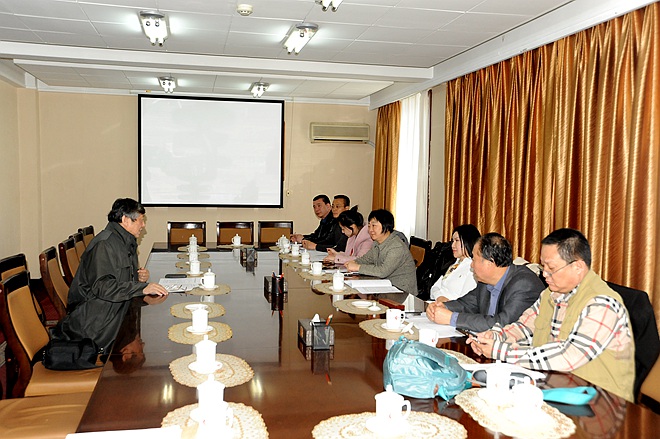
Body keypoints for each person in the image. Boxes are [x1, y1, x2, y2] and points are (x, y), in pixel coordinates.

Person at [468, 228, 635, 402]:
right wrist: (496, 336)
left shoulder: (602, 303)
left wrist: (500, 350)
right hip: (553, 388)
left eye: (551, 268)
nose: (544, 274)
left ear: (577, 267)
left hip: (599, 403)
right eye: (543, 266)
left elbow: (568, 355)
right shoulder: (550, 293)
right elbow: (524, 327)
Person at [51, 198, 168, 354]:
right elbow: (103, 287)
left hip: (113, 308)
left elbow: (118, 277)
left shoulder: (124, 240)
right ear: (125, 220)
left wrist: (137, 278)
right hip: (97, 320)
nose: (143, 225)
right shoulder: (104, 244)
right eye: (141, 220)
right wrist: (141, 288)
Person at [426, 233, 544, 332]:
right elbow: (466, 304)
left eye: (474, 260)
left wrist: (452, 318)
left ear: (490, 262)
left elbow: (503, 324)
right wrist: (443, 306)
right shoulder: (485, 281)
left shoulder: (524, 284)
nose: (471, 265)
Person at [344, 209, 417, 294]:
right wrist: (353, 262)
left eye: (374, 226)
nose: (370, 230)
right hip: (385, 286)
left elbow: (382, 271)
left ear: (386, 226)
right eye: (369, 226)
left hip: (402, 291)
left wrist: (358, 267)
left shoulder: (396, 246)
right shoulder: (377, 243)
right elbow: (367, 259)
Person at [429, 224, 481, 302]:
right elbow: (434, 288)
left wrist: (446, 301)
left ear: (468, 241)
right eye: (452, 241)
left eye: (457, 241)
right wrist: (440, 297)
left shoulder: (472, 268)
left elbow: (466, 301)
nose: (452, 245)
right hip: (437, 302)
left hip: (452, 307)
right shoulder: (454, 263)